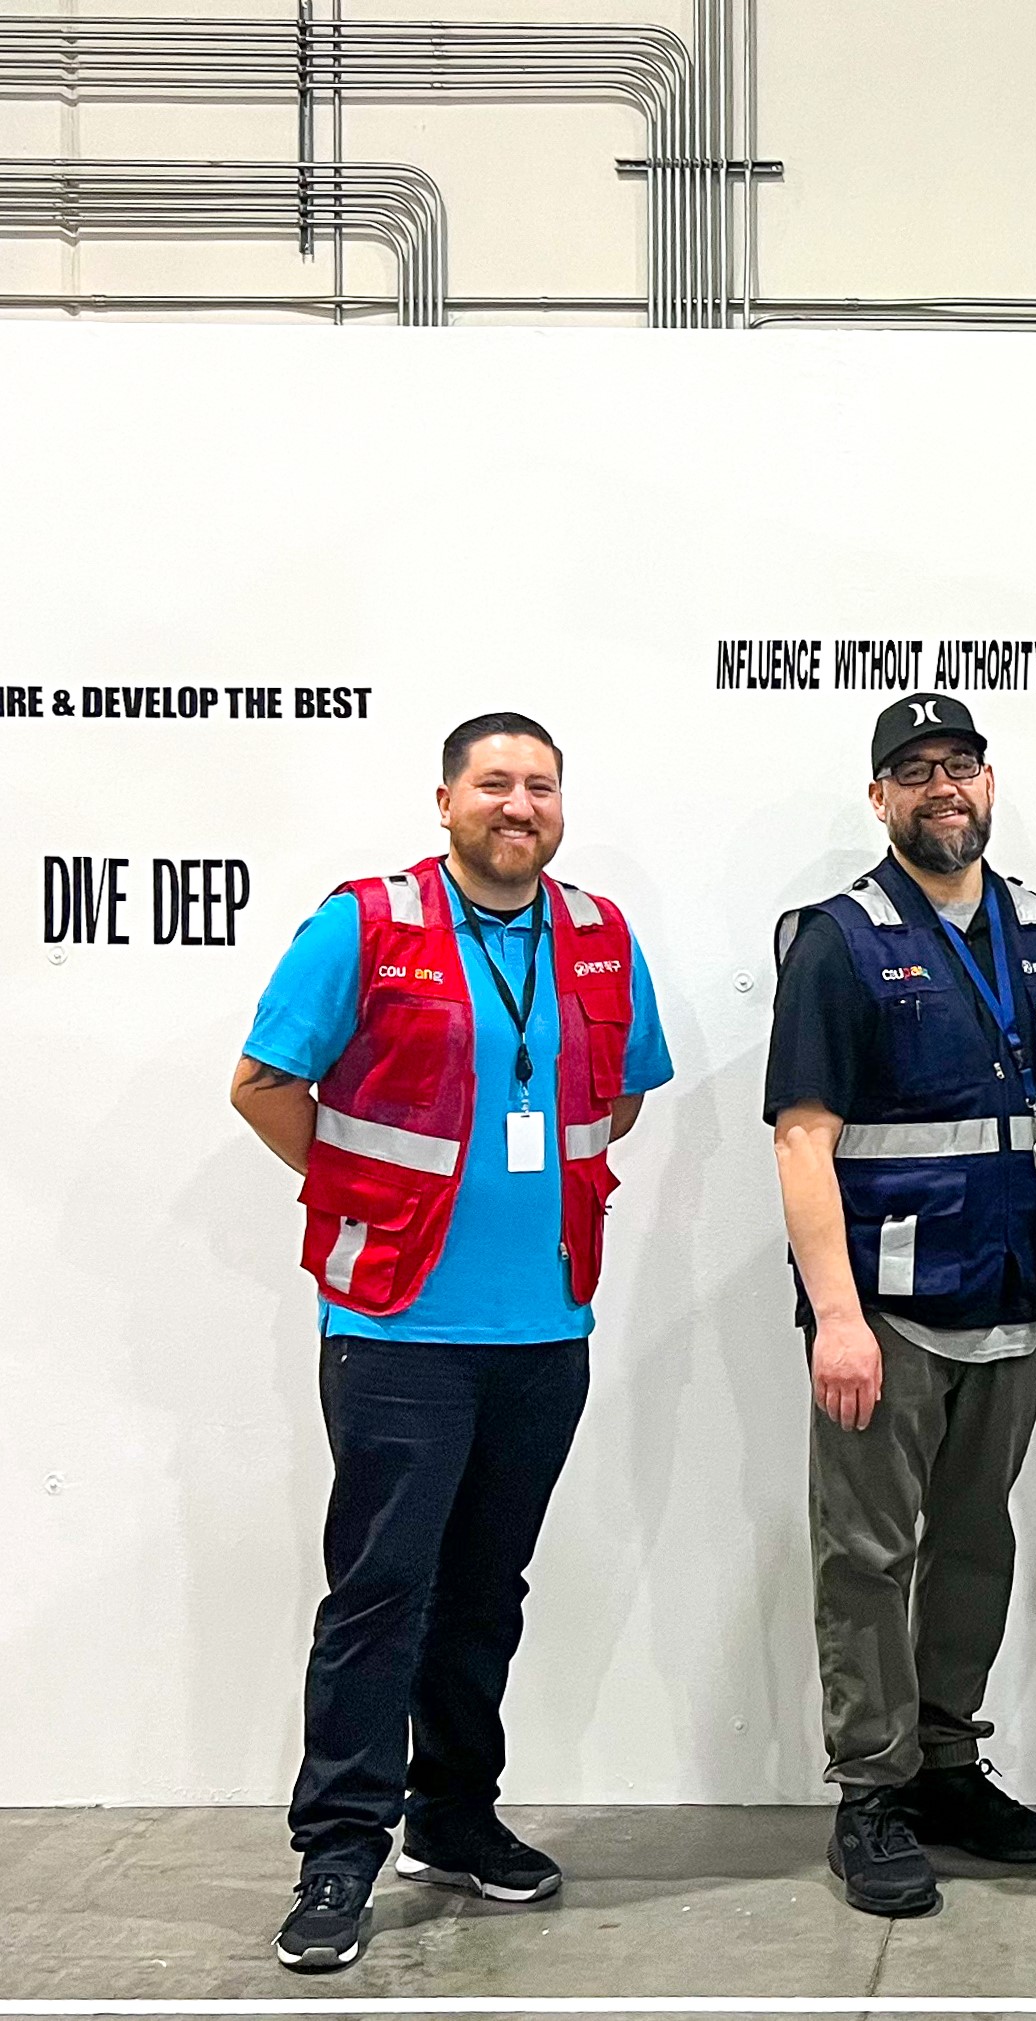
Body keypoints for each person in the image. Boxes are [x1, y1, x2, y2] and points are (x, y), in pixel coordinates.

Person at [230, 712, 673, 1974]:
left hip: (546, 1325)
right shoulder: (366, 922)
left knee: (488, 1592)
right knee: (382, 1592)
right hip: (397, 1327)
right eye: (494, 783)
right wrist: (369, 1191)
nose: (517, 804)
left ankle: (457, 1816)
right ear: (444, 801)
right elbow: (264, 1081)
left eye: (540, 785)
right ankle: (339, 1850)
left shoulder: (596, 934)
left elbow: (624, 1087)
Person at [766, 696, 1036, 1919]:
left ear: (989, 783)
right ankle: (870, 1791)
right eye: (912, 772)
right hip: (891, 1312)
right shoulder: (839, 940)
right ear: (879, 799)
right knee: (867, 1554)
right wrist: (840, 1317)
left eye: (958, 766)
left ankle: (948, 1766)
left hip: (1019, 1294)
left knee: (976, 1544)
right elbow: (803, 1140)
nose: (941, 787)